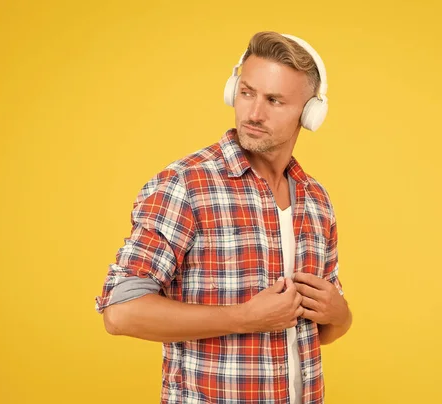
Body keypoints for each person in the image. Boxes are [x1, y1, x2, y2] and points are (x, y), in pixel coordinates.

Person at [95, 31, 352, 404]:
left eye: (275, 100)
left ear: (310, 113)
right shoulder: (185, 185)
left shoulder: (316, 201)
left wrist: (341, 316)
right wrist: (244, 317)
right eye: (247, 92)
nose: (254, 113)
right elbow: (120, 312)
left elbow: (320, 329)